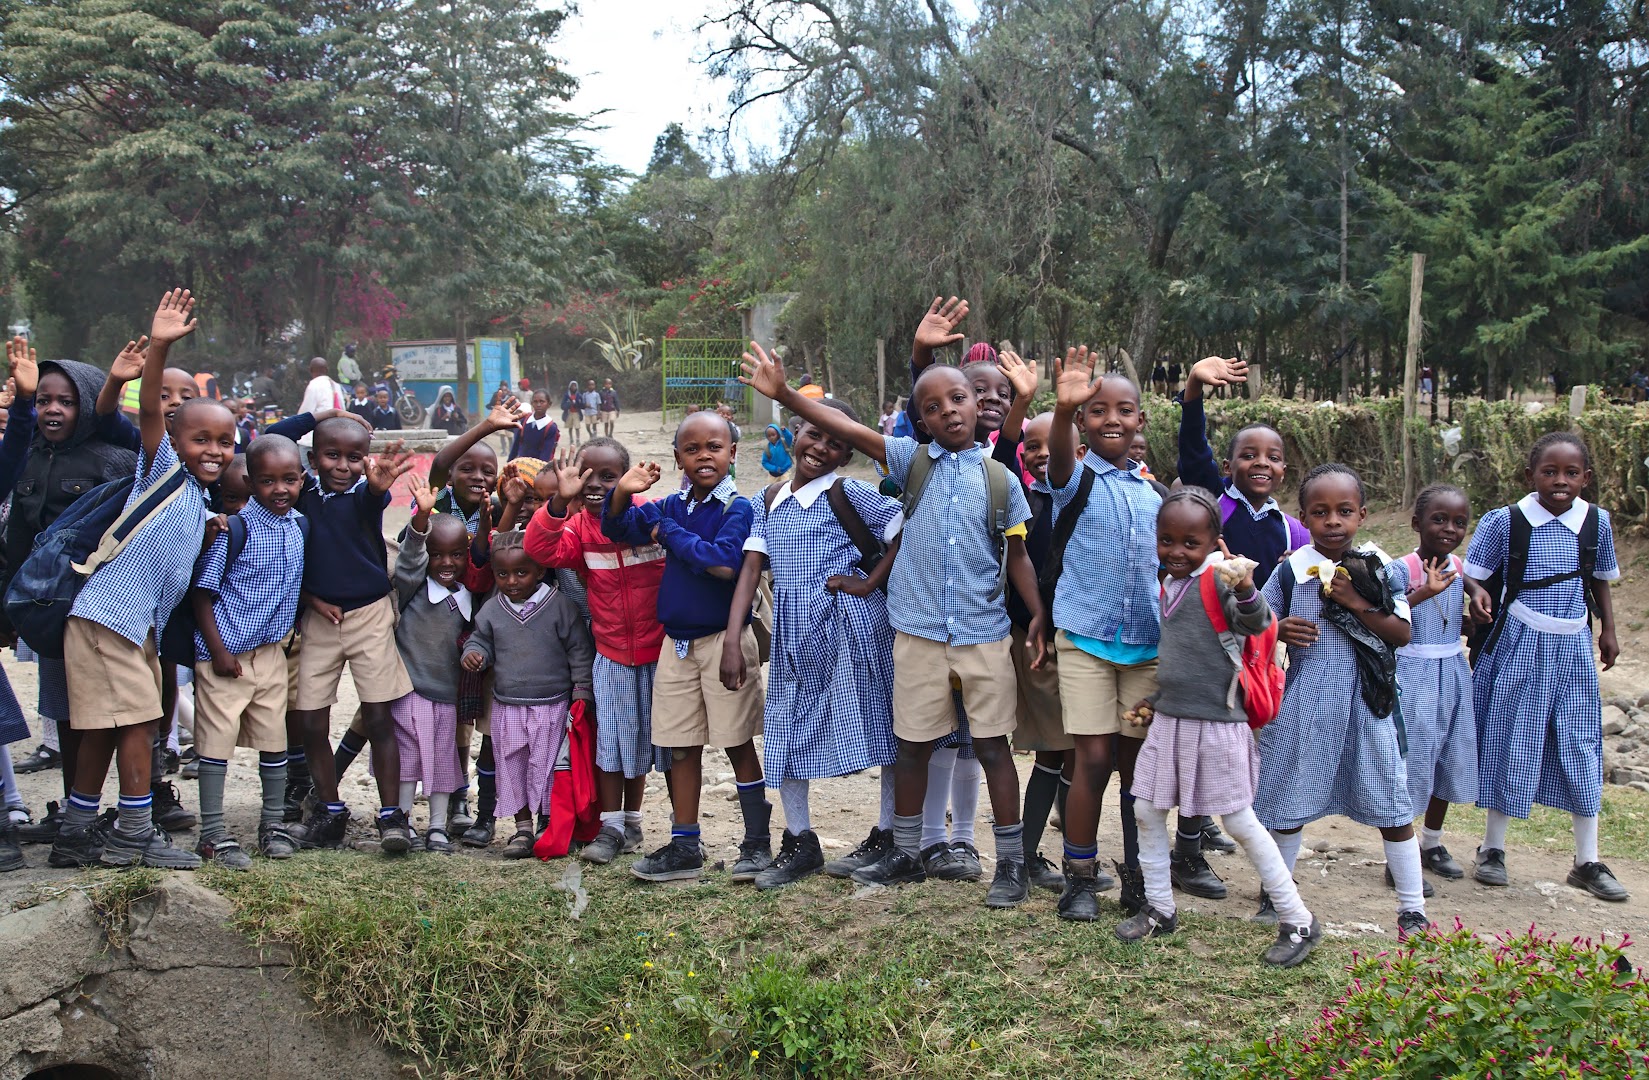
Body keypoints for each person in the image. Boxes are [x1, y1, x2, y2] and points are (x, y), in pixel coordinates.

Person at [742, 342, 1050, 908]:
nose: (949, 411)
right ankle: (905, 853)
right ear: (920, 422)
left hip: (983, 633)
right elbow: (846, 428)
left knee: (992, 748)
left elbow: (1021, 556)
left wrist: (1038, 620)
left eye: (958, 398)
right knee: (910, 746)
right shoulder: (911, 462)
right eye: (932, 408)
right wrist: (784, 394)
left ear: (977, 403)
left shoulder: (1001, 478)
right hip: (917, 634)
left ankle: (1010, 864)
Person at [50, 289, 224, 871]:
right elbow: (150, 406)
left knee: (105, 724)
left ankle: (76, 829)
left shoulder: (198, 498)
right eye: (201, 439)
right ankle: (132, 832)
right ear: (175, 440)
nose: (214, 451)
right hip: (109, 616)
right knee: (142, 721)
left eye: (225, 442)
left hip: (130, 622)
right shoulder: (163, 465)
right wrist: (162, 348)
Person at [1120, 490, 1318, 964]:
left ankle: (1298, 920)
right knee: (1146, 808)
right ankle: (1160, 908)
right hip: (1172, 720)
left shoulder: (1218, 579)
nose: (1176, 551)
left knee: (1239, 822)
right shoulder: (1170, 584)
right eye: (1166, 540)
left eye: (1191, 542)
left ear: (1213, 542)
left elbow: (1257, 624)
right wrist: (1158, 699)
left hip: (1219, 726)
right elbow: (1187, 658)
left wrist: (1247, 588)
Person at [721, 400, 903, 888]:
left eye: (836, 443)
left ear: (847, 454)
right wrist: (733, 638)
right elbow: (750, 572)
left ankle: (888, 834)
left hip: (853, 628)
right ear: (794, 432)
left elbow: (906, 529)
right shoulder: (767, 501)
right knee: (785, 729)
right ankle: (801, 841)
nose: (821, 448)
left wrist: (868, 583)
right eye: (813, 435)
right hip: (795, 635)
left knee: (880, 727)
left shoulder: (850, 493)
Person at [1257, 464, 1428, 939]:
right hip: (1307, 702)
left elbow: (1401, 633)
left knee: (1391, 802)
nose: (1333, 521)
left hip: (1366, 703)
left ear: (1363, 515)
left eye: (1344, 511)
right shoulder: (1290, 570)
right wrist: (1277, 629)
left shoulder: (1379, 567)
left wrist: (1356, 602)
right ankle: (1278, 893)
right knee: (1291, 798)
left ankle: (1411, 906)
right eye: (1321, 511)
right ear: (1304, 517)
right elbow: (1257, 621)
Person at [602, 411, 770, 884]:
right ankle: (685, 844)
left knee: (736, 742)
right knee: (680, 747)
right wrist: (622, 492)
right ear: (678, 456)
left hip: (723, 642)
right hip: (675, 647)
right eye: (692, 449)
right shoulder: (672, 505)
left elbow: (722, 564)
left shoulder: (739, 507)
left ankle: (756, 842)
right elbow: (618, 528)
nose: (704, 456)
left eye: (714, 447)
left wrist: (669, 534)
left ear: (733, 453)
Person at [1464, 432, 1627, 901]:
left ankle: (1587, 860)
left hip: (1574, 644)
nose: (1560, 481)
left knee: (1580, 742)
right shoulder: (1506, 522)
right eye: (1549, 472)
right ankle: (1492, 848)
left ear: (1586, 478)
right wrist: (1476, 593)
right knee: (1509, 735)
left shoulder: (1597, 523)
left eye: (1571, 473)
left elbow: (1599, 582)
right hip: (1518, 641)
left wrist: (1608, 631)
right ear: (1530, 476)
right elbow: (1473, 571)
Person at [1, 338, 140, 853]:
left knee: (108, 713)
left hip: (99, 608)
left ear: (84, 404)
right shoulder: (26, 458)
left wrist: (115, 387)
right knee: (64, 712)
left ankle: (107, 814)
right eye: (43, 401)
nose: (52, 410)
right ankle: (73, 815)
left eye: (65, 400)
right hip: (46, 611)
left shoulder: (114, 458)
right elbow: (15, 537)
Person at [1043, 347, 1165, 920]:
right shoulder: (1074, 479)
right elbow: (1059, 463)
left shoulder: (1156, 494)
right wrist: (1063, 410)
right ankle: (1081, 876)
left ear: (1141, 420)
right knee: (1091, 758)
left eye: (1123, 410)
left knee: (1137, 767)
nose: (1110, 418)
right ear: (1085, 423)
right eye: (1097, 410)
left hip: (1145, 647)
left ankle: (1141, 875)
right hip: (1086, 641)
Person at [526, 438, 668, 865]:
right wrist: (556, 504)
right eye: (587, 475)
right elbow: (541, 549)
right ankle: (610, 826)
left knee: (643, 739)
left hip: (659, 650)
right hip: (609, 652)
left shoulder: (650, 515)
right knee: (611, 741)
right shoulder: (576, 527)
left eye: (609, 476)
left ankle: (633, 818)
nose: (596, 485)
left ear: (627, 476)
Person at [281, 417, 416, 854]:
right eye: (331, 455)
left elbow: (373, 497)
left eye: (353, 457)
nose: (342, 465)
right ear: (312, 456)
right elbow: (270, 440)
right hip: (321, 619)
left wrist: (377, 487)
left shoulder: (364, 496)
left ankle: (392, 816)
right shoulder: (299, 495)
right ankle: (330, 810)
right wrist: (318, 416)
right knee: (311, 718)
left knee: (379, 718)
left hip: (370, 615)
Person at [188, 434, 308, 869]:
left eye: (289, 479)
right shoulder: (233, 529)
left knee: (273, 739)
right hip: (224, 655)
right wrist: (218, 651)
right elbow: (203, 594)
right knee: (215, 742)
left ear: (302, 479)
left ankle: (272, 825)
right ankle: (213, 833)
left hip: (271, 652)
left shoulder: (299, 526)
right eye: (267, 481)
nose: (280, 489)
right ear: (251, 482)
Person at [462, 529, 595, 859]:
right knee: (513, 766)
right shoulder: (492, 610)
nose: (512, 581)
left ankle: (547, 825)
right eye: (502, 574)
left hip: (550, 706)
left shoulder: (559, 606)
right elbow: (481, 640)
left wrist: (581, 690)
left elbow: (579, 649)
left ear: (540, 571)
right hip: (508, 706)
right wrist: (474, 653)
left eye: (521, 572)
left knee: (547, 766)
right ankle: (521, 829)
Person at [1398, 484, 1491, 885]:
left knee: (1449, 757)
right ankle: (1398, 853)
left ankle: (1431, 842)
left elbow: (1466, 584)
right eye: (1439, 519)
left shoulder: (1459, 566)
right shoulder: (1401, 569)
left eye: (1458, 523)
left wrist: (1474, 598)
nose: (1449, 528)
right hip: (1413, 675)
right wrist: (1424, 592)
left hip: (1452, 672)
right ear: (1417, 523)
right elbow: (1389, 613)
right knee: (1413, 763)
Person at [390, 476, 477, 854]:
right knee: (407, 762)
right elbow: (410, 562)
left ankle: (438, 828)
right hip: (410, 692)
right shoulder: (415, 587)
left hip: (446, 699)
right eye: (437, 554)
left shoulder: (468, 598)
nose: (446, 563)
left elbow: (478, 638)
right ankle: (403, 822)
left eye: (456, 555)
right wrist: (422, 519)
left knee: (443, 764)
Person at [510, 390, 559, 460]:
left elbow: (546, 452)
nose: (538, 404)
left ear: (549, 404)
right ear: (532, 403)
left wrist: (541, 469)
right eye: (535, 402)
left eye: (542, 401)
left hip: (537, 465)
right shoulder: (525, 420)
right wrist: (510, 460)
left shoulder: (551, 427)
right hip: (521, 462)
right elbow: (516, 443)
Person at [560, 381, 581, 448]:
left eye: (575, 386)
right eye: (572, 386)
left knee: (577, 427)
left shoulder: (578, 395)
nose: (573, 387)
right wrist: (569, 404)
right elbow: (562, 405)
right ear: (570, 387)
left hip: (576, 413)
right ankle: (571, 439)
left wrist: (577, 404)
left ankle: (578, 440)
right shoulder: (566, 395)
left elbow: (581, 404)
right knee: (570, 427)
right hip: (569, 413)